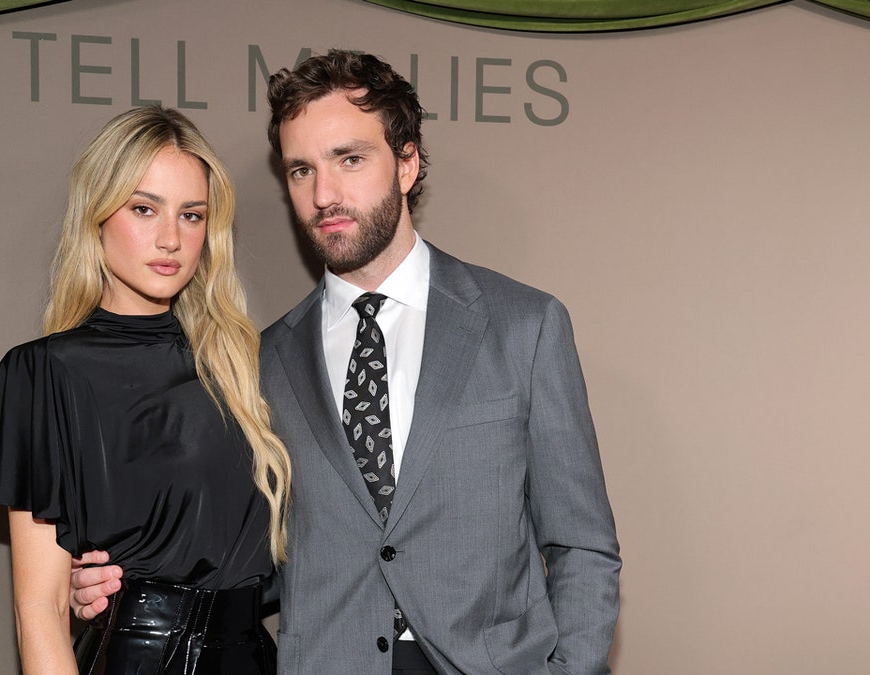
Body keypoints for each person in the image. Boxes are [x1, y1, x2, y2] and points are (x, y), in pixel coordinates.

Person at [70, 51, 621, 675]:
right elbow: (247, 560)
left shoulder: (524, 325)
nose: (324, 194)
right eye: (301, 170)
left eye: (349, 159)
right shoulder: (261, 360)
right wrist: (111, 585)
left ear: (406, 163)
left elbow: (582, 544)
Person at [0, 106, 291, 675]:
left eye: (191, 215)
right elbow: (39, 609)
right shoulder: (46, 375)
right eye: (144, 209)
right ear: (97, 216)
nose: (170, 238)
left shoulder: (246, 366)